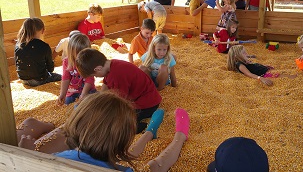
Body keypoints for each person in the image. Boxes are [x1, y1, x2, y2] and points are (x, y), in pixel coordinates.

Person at [18, 91, 190, 172]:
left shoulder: (54, 159)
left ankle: (150, 133)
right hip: (113, 157)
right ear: (126, 140)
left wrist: (28, 155)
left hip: (76, 152)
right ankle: (175, 136)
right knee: (154, 166)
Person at [75, 48, 162, 133]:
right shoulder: (110, 65)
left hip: (147, 105)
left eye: (94, 75)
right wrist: (99, 99)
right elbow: (105, 83)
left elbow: (121, 102)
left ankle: (136, 127)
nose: (96, 77)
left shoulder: (117, 75)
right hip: (139, 98)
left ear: (98, 69)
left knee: (118, 123)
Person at [15, 18, 62, 87]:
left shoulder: (18, 45)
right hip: (39, 80)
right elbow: (50, 69)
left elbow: (17, 64)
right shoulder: (44, 46)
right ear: (43, 30)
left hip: (23, 79)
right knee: (62, 77)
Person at [57, 34, 96, 105]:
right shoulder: (67, 62)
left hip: (88, 90)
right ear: (71, 52)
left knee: (91, 103)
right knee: (67, 103)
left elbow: (89, 79)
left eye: (84, 53)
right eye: (78, 53)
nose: (82, 56)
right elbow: (66, 78)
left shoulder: (89, 61)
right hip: (73, 91)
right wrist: (62, 94)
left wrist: (83, 94)